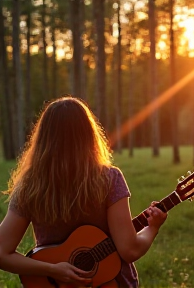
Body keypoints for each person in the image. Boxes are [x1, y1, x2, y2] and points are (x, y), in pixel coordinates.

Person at [0, 96, 167, 287]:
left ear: (44, 139)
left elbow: (1, 252)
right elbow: (130, 250)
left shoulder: (31, 184)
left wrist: (52, 271)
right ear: (89, 135)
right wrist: (152, 228)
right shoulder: (109, 179)